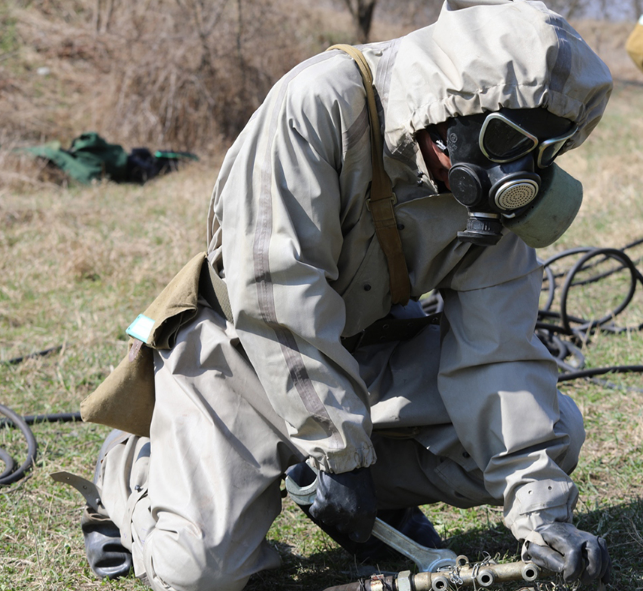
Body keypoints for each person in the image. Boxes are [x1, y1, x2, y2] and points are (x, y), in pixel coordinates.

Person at [63, 2, 615, 590]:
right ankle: (134, 465)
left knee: (554, 427)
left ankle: (362, 494)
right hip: (237, 356)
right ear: (456, 105)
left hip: (363, 353)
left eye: (545, 150)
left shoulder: (494, 189)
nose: (521, 172)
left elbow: (499, 353)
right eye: (505, 139)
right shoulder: (318, 106)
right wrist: (340, 452)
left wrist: (543, 519)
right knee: (198, 573)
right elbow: (276, 297)